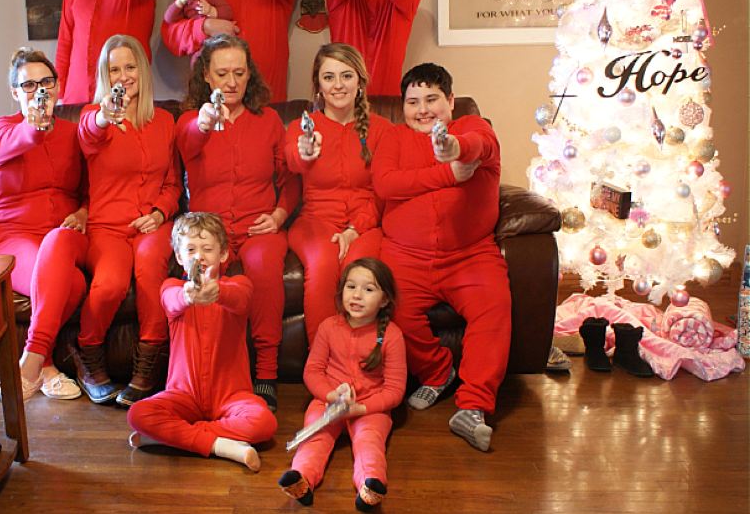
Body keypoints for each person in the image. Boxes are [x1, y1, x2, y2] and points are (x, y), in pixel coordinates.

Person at [372, 63, 511, 453]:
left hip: (470, 255)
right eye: (413, 102)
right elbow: (385, 184)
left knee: (494, 308)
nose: (422, 110)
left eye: (431, 99)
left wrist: (455, 149)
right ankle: (437, 372)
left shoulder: (473, 126)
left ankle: (473, 407)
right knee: (388, 306)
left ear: (450, 101)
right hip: (405, 255)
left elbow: (479, 145)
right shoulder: (394, 137)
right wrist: (449, 173)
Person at [175, 34, 299, 411]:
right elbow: (190, 141)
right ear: (206, 76)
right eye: (222, 73)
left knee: (262, 265)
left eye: (239, 73)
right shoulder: (190, 121)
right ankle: (203, 377)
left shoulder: (269, 121)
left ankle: (266, 373)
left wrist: (278, 215)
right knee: (204, 274)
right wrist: (205, 122)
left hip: (258, 227)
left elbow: (290, 180)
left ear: (249, 76)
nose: (231, 82)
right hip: (209, 232)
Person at [72, 35, 181, 407]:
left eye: (130, 67)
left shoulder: (164, 120)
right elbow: (90, 132)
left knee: (150, 270)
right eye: (114, 69)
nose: (123, 76)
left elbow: (172, 183)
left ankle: (146, 368)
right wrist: (105, 115)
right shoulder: (93, 116)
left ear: (142, 70)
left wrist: (160, 212)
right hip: (107, 227)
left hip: (153, 224)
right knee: (109, 286)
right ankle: (88, 359)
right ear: (105, 76)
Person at [127, 212, 277, 471]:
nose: (199, 256)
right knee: (138, 414)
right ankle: (223, 446)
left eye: (207, 249)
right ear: (179, 257)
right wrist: (188, 297)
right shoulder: (172, 287)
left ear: (223, 254)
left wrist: (218, 292)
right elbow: (171, 301)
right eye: (191, 250)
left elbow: (240, 299)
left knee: (265, 423)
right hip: (183, 395)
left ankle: (175, 437)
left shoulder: (239, 284)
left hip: (231, 396)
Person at [0, 48, 87, 401]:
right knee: (73, 283)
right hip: (14, 235)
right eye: (28, 85)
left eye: (46, 82)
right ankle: (44, 364)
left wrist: (84, 211)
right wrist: (33, 124)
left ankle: (29, 365)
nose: (39, 90)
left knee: (58, 240)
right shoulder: (0, 130)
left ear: (57, 86)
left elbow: (94, 187)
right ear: (15, 92)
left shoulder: (74, 132)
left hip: (65, 234)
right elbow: (21, 139)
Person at [278, 258, 406, 511]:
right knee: (315, 438)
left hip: (370, 407)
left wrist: (361, 409)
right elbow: (312, 371)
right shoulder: (328, 327)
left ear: (384, 300)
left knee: (369, 442)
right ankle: (302, 479)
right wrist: (330, 395)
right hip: (328, 402)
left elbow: (394, 390)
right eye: (351, 287)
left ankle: (370, 485)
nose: (357, 295)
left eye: (368, 289)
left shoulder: (392, 336)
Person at [285, 43, 391, 346]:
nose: (338, 85)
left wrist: (355, 229)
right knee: (322, 266)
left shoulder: (382, 130)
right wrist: (305, 152)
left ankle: (360, 358)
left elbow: (383, 191)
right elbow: (292, 158)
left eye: (346, 75)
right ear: (318, 85)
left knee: (361, 273)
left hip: (366, 224)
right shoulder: (302, 127)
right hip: (314, 222)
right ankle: (323, 358)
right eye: (329, 77)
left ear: (360, 81)